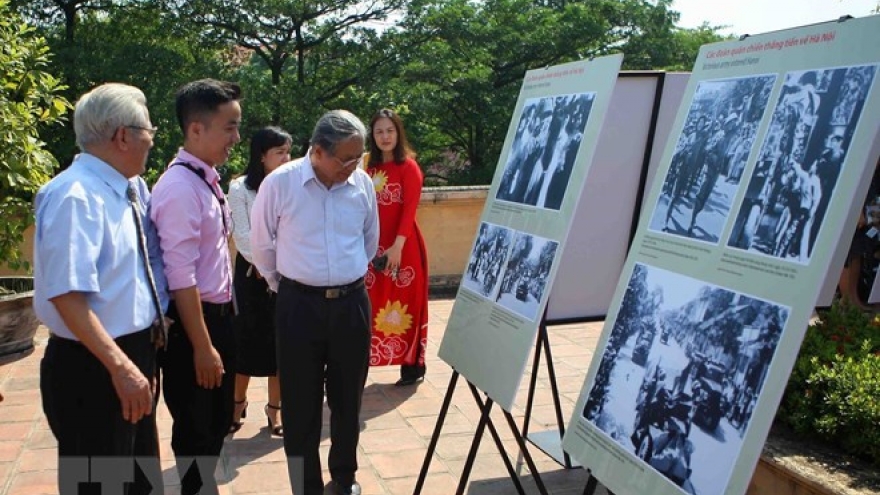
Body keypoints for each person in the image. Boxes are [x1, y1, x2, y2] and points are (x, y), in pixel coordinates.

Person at [34, 83, 167, 494]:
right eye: (148, 130)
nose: (152, 138)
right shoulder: (75, 196)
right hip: (95, 367)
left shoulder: (126, 188)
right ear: (122, 135)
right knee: (98, 483)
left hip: (127, 358)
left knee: (136, 481)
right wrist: (121, 367)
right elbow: (66, 294)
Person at [250, 110, 379, 495]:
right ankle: (305, 487)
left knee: (347, 398)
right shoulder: (281, 184)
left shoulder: (360, 184)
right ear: (318, 151)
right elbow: (262, 245)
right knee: (300, 404)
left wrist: (345, 275)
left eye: (359, 157)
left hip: (351, 304)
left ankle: (344, 478)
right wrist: (286, 286)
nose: (353, 166)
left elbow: (369, 239)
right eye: (346, 158)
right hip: (298, 307)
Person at [150, 78, 241, 495]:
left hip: (217, 320)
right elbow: (180, 278)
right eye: (229, 127)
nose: (236, 138)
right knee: (196, 433)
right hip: (194, 327)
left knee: (214, 428)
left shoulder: (204, 179)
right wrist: (203, 346)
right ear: (196, 129)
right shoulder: (180, 188)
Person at [227, 126, 292, 435]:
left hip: (285, 274)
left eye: (288, 152)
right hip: (252, 275)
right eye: (279, 152)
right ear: (262, 155)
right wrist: (269, 269)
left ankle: (275, 409)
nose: (286, 158)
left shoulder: (291, 185)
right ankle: (236, 404)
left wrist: (279, 271)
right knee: (246, 342)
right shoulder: (239, 188)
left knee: (280, 345)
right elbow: (241, 235)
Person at [364, 109, 429, 386]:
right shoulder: (368, 169)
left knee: (407, 304)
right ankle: (364, 360)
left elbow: (409, 209)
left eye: (390, 130)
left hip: (404, 246)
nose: (385, 136)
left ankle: (412, 364)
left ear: (398, 133)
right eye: (379, 131)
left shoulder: (409, 167)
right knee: (370, 303)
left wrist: (397, 246)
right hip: (372, 248)